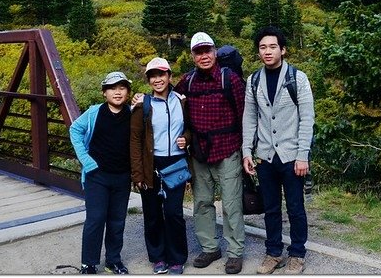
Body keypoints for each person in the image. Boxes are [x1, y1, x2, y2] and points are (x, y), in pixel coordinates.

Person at [242, 26, 315, 275]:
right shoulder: (253, 81)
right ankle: (273, 252)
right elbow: (249, 118)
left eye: (273, 46)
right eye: (263, 47)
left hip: (292, 156)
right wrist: (246, 151)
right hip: (265, 156)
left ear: (282, 50)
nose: (267, 51)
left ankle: (297, 253)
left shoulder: (297, 78)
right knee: (271, 208)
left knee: (295, 207)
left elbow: (307, 119)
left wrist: (303, 154)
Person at [175, 32, 246, 274]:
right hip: (199, 153)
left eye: (207, 51)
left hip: (227, 149)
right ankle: (210, 247)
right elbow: (170, 100)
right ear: (193, 55)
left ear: (215, 52)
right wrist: (143, 100)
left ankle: (235, 252)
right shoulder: (188, 81)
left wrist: (247, 150)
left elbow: (244, 114)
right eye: (198, 52)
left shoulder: (231, 79)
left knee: (231, 203)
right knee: (202, 202)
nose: (204, 56)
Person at [69, 71, 133, 275]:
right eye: (112, 88)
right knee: (96, 219)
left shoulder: (133, 113)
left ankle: (113, 261)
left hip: (122, 176)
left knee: (117, 221)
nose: (117, 92)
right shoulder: (94, 112)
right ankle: (89, 263)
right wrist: (87, 161)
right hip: (97, 176)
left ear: (128, 92)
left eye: (122, 88)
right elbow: (74, 130)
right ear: (104, 92)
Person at [131, 57, 190, 275]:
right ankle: (157, 257)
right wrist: (137, 173)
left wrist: (186, 138)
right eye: (153, 76)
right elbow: (135, 140)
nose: (158, 79)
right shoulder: (142, 105)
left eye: (161, 74)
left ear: (169, 76)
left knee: (174, 212)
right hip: (151, 164)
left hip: (175, 162)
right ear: (149, 80)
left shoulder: (181, 101)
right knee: (152, 212)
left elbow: (189, 128)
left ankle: (177, 257)